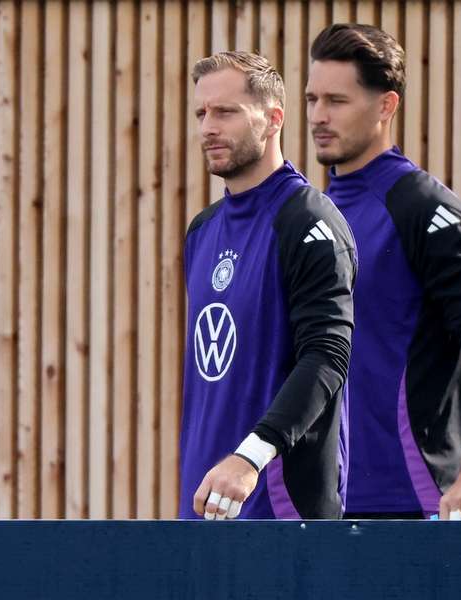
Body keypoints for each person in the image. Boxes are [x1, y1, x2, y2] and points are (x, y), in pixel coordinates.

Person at [306, 24, 461, 520]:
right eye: (312, 99)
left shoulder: (422, 206)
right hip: (321, 499)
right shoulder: (312, 211)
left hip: (408, 497)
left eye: (337, 100)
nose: (318, 116)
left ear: (386, 106)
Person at [179, 51, 357, 520]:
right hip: (205, 501)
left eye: (226, 112)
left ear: (273, 118)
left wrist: (250, 457)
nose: (208, 127)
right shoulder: (202, 231)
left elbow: (328, 355)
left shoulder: (309, 221)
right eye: (201, 113)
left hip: (278, 507)